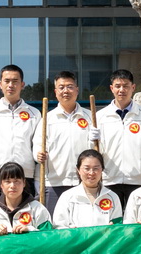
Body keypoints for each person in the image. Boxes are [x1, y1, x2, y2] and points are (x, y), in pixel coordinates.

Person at [0, 64, 41, 203]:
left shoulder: (34, 113)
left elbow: (38, 145)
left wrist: (37, 178)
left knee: (24, 214)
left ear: (22, 85)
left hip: (24, 175)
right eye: (7, 81)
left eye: (15, 81)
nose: (11, 85)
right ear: (0, 84)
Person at [34, 71, 96, 213]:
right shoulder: (47, 118)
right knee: (54, 222)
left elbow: (97, 150)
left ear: (77, 90)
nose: (65, 91)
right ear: (55, 92)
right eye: (61, 87)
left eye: (70, 86)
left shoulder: (90, 117)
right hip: (54, 182)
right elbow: (38, 144)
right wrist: (38, 154)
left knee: (82, 221)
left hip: (83, 181)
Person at [95, 69, 141, 206]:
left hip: (137, 180)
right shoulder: (100, 116)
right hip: (109, 179)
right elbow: (93, 150)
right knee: (112, 218)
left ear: (133, 87)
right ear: (111, 88)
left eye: (126, 86)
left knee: (136, 218)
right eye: (118, 86)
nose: (121, 90)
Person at [53, 150, 123, 228]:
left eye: (96, 168)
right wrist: (71, 232)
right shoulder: (67, 196)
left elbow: (118, 226)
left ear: (102, 169)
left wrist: (112, 229)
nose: (91, 173)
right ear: (78, 170)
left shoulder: (112, 197)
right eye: (87, 168)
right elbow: (59, 226)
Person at [0, 162, 54, 233]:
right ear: (1, 184)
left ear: (24, 183)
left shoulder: (37, 208)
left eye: (16, 181)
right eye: (8, 182)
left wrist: (29, 230)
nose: (12, 186)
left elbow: (48, 235)